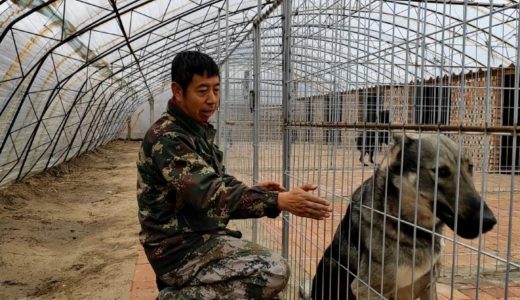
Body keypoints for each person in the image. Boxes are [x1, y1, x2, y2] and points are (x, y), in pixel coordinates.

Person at [136, 50, 332, 299]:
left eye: (216, 90)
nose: (212, 99)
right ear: (178, 91)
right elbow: (210, 194)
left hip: (196, 234)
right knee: (273, 271)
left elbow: (216, 179)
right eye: (202, 90)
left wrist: (259, 192)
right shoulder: (168, 137)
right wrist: (277, 201)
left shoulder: (194, 130)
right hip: (176, 248)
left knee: (269, 294)